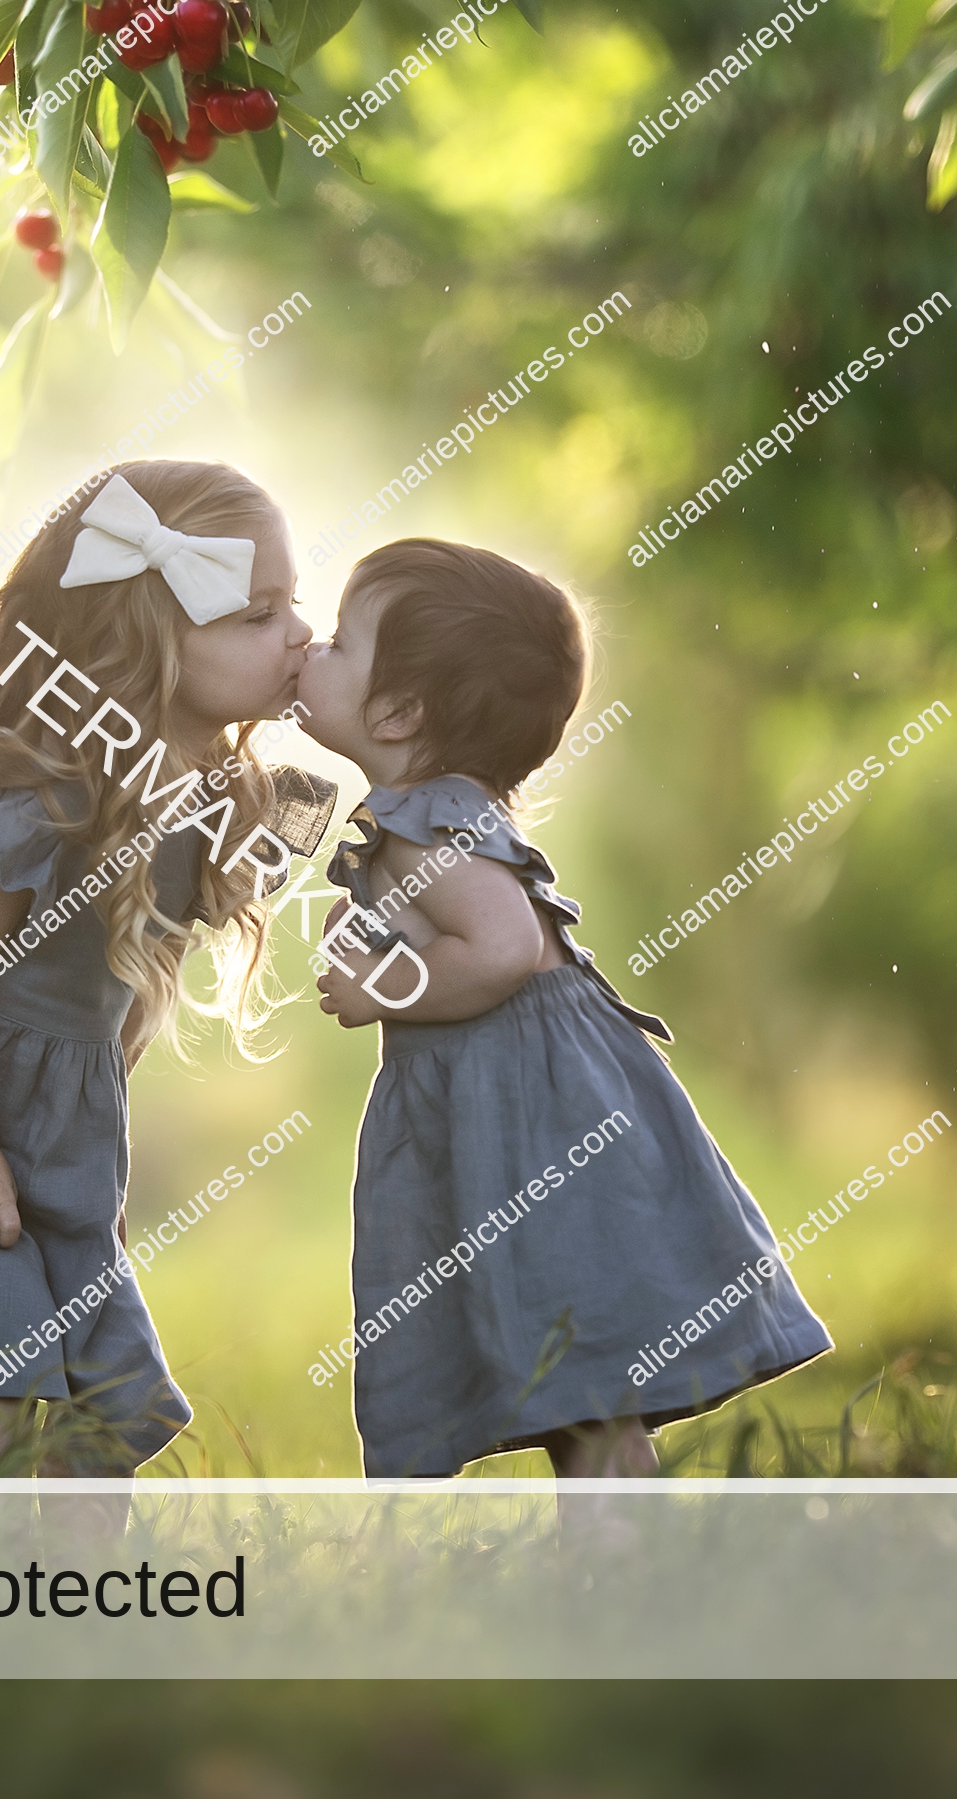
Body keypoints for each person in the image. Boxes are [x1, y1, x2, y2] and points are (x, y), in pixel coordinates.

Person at [0, 462, 329, 1481]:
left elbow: (134, 987)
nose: (298, 632)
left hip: (51, 1100)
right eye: (260, 614)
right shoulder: (47, 790)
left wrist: (88, 1160)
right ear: (150, 637)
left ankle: (79, 1618)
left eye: (294, 603)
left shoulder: (215, 797)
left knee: (99, 1373)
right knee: (8, 1354)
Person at [296, 537, 831, 1480]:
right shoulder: (428, 814)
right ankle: (613, 1562)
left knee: (584, 1371)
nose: (311, 647)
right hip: (535, 1098)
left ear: (399, 709)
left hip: (531, 1118)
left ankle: (614, 1572)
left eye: (339, 641)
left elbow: (498, 950)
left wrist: (379, 988)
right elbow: (469, 931)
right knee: (581, 1374)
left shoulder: (425, 820)